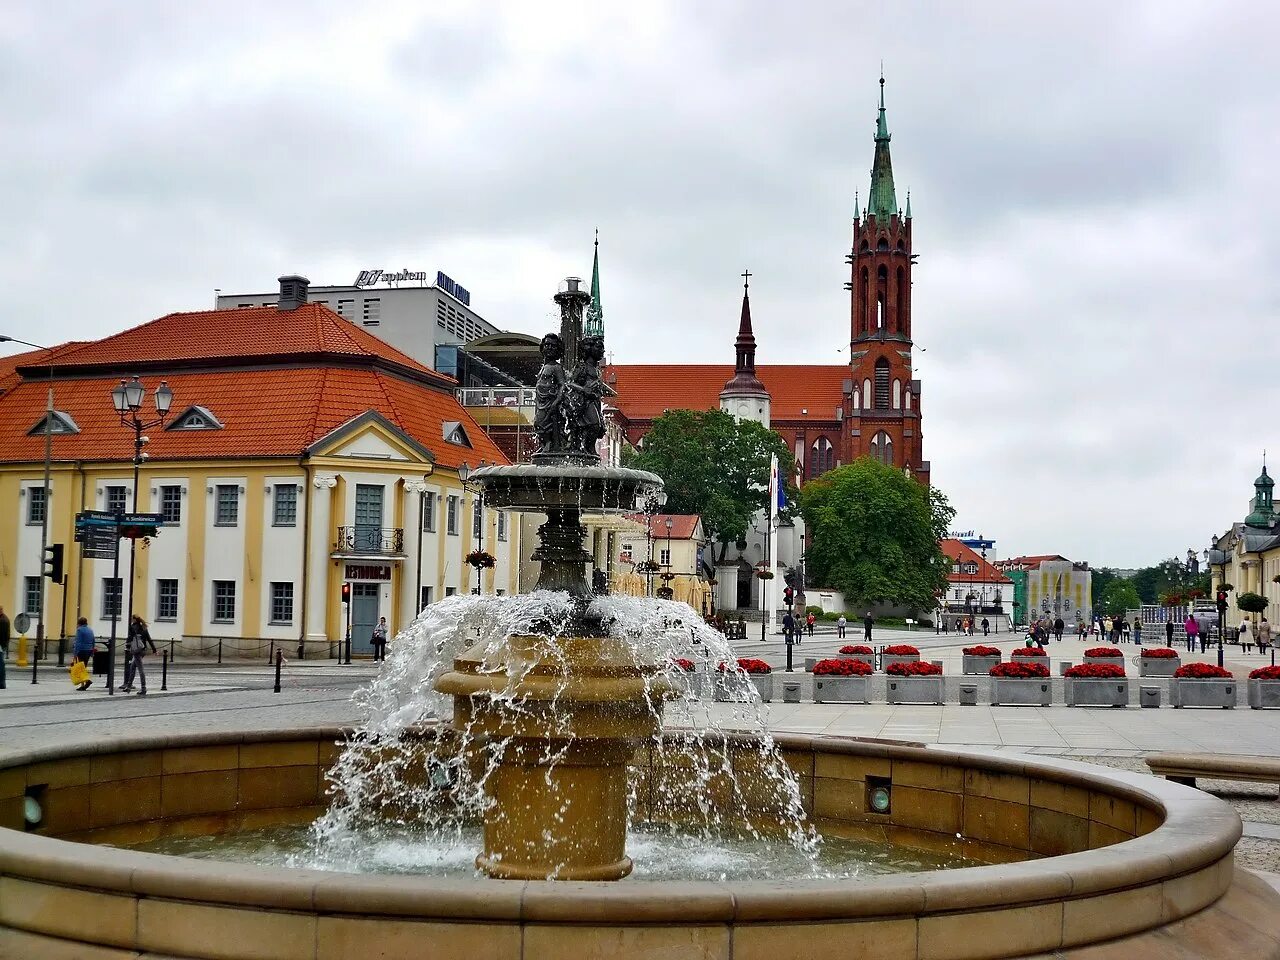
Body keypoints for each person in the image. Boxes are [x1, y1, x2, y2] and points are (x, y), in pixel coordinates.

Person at [121, 615, 155, 695]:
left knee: (140, 670)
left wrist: (127, 647)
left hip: (136, 650)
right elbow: (149, 639)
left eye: (132, 619)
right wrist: (154, 650)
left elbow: (129, 638)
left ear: (134, 619)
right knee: (133, 666)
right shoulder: (143, 627)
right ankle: (128, 686)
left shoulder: (132, 627)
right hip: (143, 649)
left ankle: (143, 688)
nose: (131, 620)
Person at [73, 618, 96, 689]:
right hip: (88, 650)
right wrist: (92, 651)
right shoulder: (90, 630)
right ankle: (84, 684)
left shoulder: (79, 630)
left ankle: (85, 682)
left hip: (81, 650)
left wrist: (75, 653)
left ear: (79, 623)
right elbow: (93, 641)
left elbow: (78, 642)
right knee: (84, 667)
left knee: (80, 667)